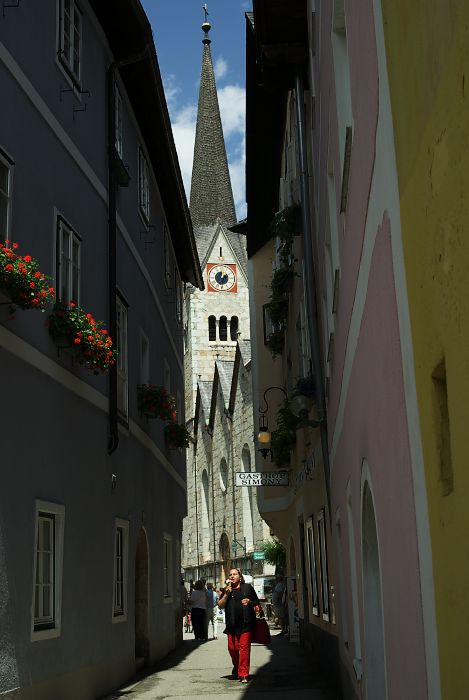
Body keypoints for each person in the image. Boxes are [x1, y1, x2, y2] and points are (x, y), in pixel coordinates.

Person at [217, 568, 259, 684]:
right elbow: (220, 605)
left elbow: (256, 602)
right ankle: (237, 667)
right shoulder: (226, 590)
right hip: (231, 624)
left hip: (246, 624)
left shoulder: (247, 588)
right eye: (230, 574)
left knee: (244, 649)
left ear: (240, 576)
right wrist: (226, 594)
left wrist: (250, 602)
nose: (232, 576)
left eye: (234, 574)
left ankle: (243, 674)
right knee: (232, 649)